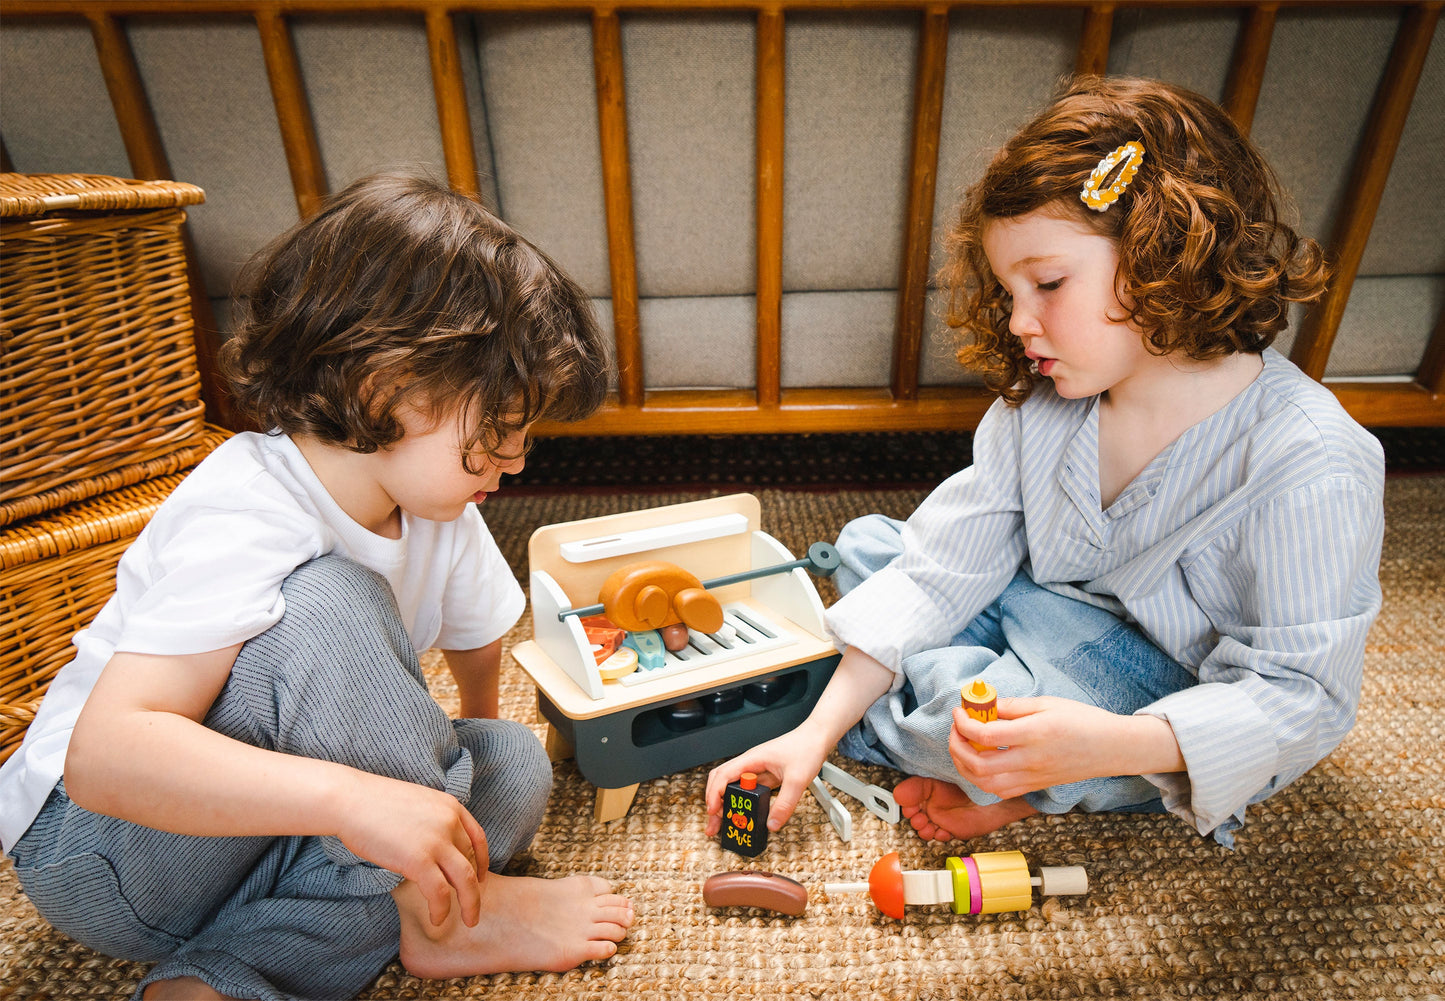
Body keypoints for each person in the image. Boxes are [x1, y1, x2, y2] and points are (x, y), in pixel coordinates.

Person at [706, 76, 1385, 852]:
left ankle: (1053, 771)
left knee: (969, 713)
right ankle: (1016, 758)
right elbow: (939, 570)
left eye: (1049, 284)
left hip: (1158, 694)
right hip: (1042, 611)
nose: (1019, 322)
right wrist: (812, 733)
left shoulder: (1311, 460)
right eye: (1009, 293)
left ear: (1165, 255)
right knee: (871, 546)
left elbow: (1302, 699)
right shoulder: (1042, 404)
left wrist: (1106, 744)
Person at [0, 173, 633, 1000]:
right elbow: (104, 758)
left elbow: (477, 644)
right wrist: (350, 800)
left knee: (509, 761)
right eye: (498, 430)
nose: (516, 460)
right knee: (330, 601)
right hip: (110, 848)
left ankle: (221, 976)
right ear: (385, 387)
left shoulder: (439, 506)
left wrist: (452, 782)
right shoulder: (247, 504)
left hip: (262, 843)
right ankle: (440, 910)